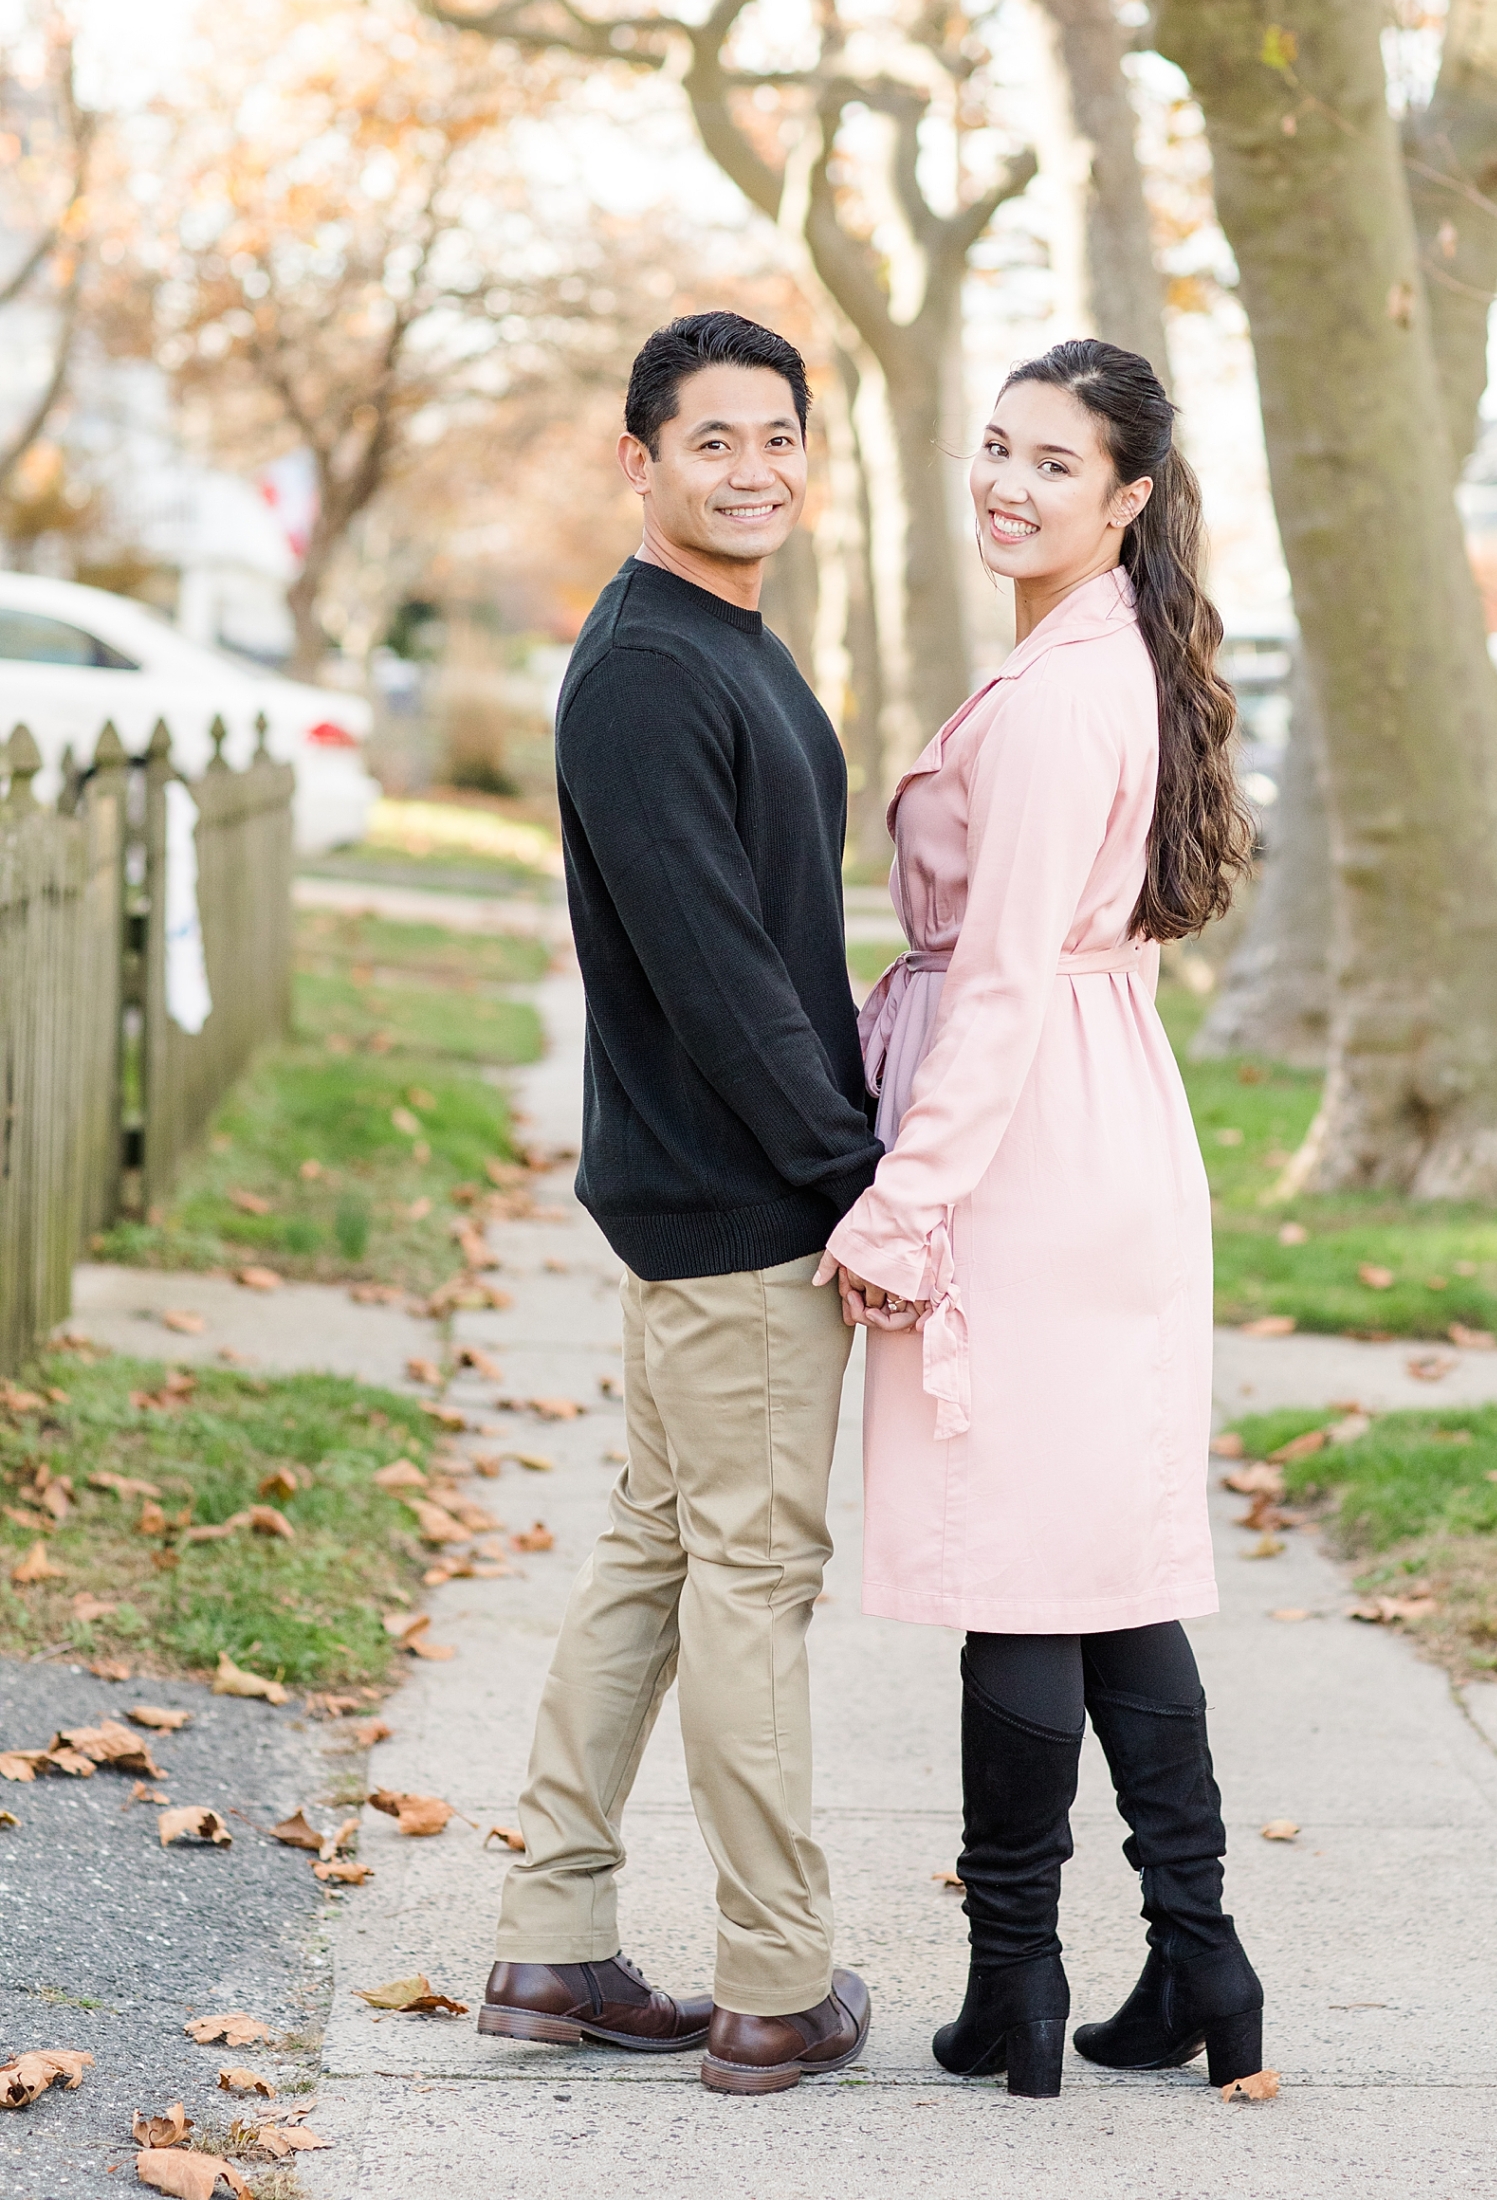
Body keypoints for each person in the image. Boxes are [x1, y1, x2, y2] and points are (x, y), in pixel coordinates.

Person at [815, 339, 1262, 2100]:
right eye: (994, 448)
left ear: (1129, 497)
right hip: (1086, 1128)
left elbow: (999, 981)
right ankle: (1187, 1962)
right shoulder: (1088, 656)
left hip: (1027, 1155)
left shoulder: (1073, 688)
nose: (1008, 484)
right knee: (1091, 1570)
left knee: (1031, 1557)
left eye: (1053, 464)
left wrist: (902, 1205)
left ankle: (1031, 1979)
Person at [479, 310, 881, 2097]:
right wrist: (852, 1181)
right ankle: (776, 1982)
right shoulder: (649, 665)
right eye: (714, 440)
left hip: (708, 1192)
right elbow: (717, 971)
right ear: (635, 460)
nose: (757, 468)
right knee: (750, 1578)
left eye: (780, 436)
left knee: (658, 1550)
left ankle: (551, 1950)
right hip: (740, 1208)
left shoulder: (725, 641)